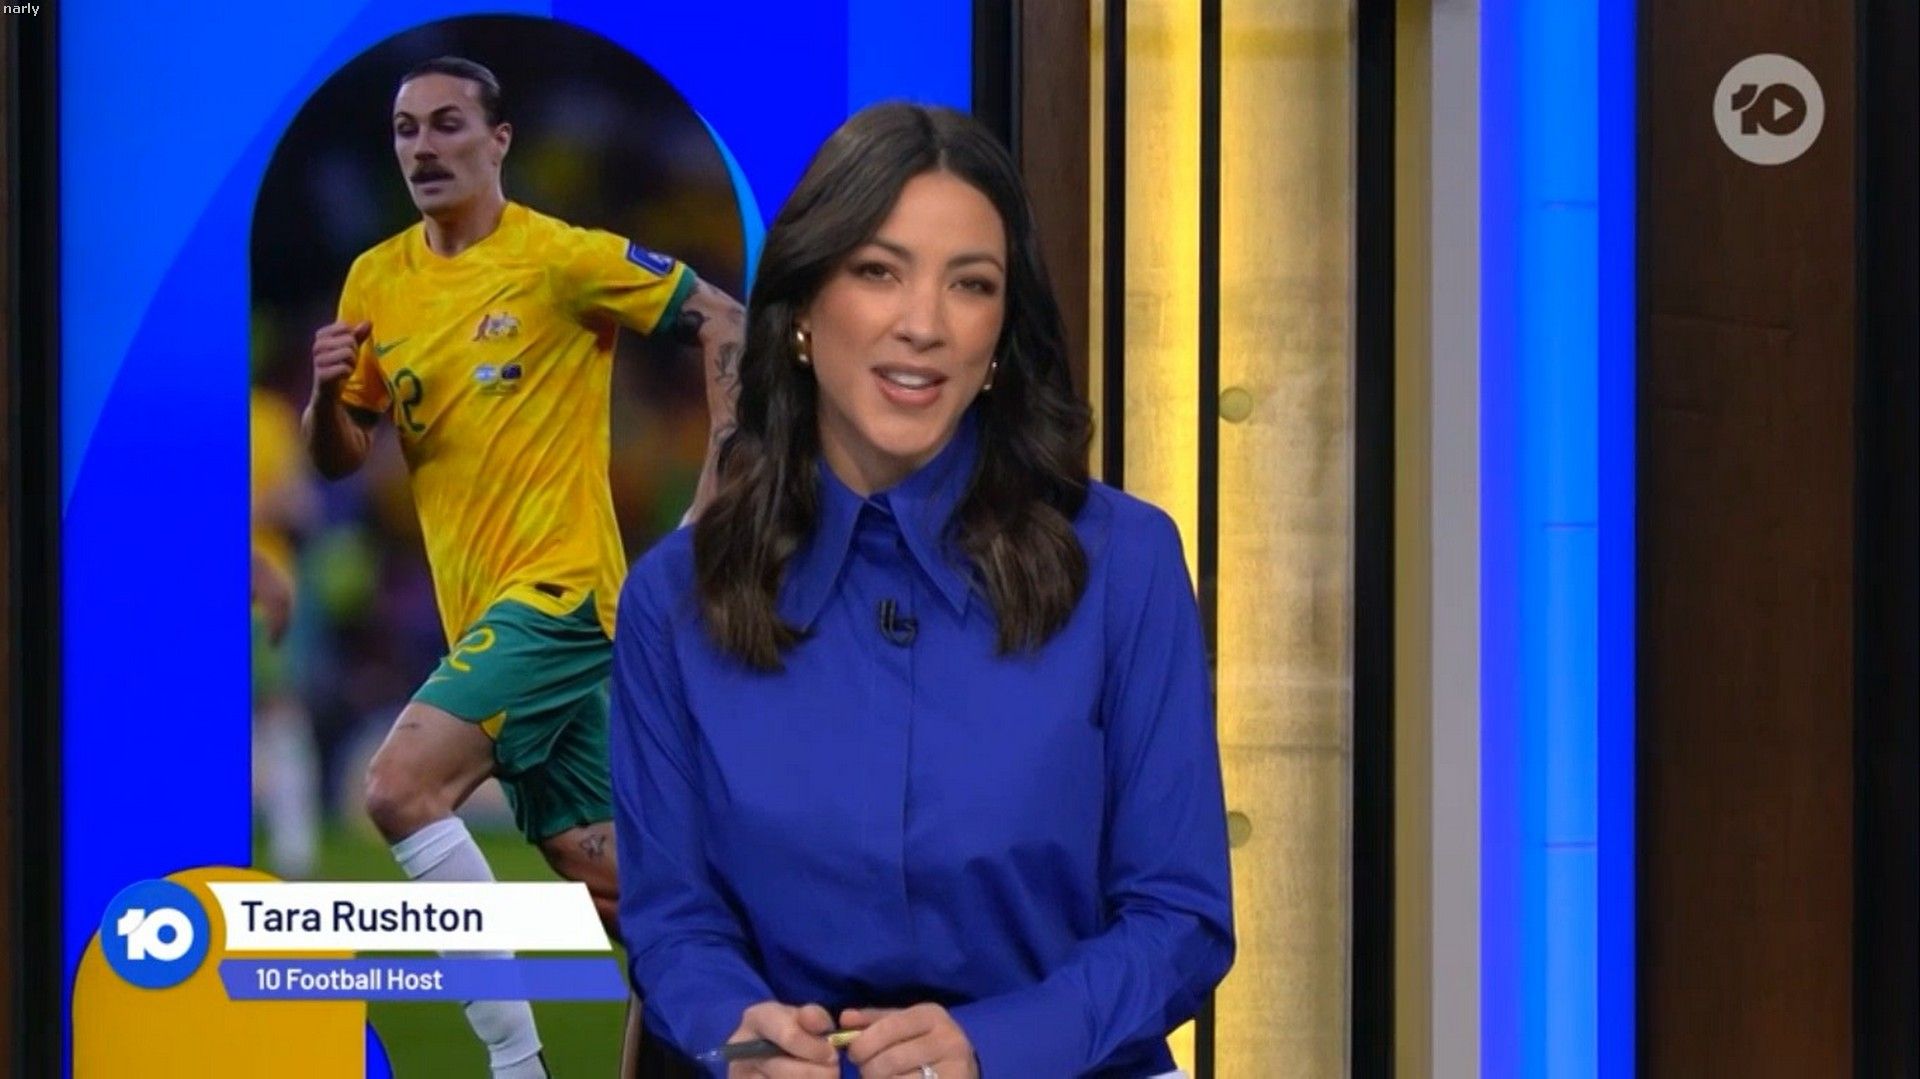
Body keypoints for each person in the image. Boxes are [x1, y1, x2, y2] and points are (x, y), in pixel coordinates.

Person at [611, 102, 1234, 1079]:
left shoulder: (1126, 562)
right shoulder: (673, 599)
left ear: (1002, 331)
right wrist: (743, 1035)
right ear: (803, 309)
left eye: (971, 284)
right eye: (878, 271)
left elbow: (1180, 916)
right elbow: (674, 922)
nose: (924, 324)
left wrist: (994, 1045)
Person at [301, 56, 743, 1078]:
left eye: (447, 124)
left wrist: (716, 487)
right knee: (636, 899)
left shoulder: (561, 258)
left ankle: (515, 1065)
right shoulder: (376, 279)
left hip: (559, 600)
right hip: (486, 620)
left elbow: (724, 317)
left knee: (398, 786)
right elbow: (343, 453)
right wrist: (325, 398)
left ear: (499, 141)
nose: (424, 147)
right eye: (406, 130)